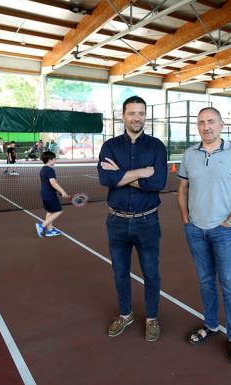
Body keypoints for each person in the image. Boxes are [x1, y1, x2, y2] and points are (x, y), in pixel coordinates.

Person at [178, 107, 231, 366]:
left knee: (230, 286)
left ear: (221, 125)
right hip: (196, 231)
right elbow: (182, 189)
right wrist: (187, 220)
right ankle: (210, 325)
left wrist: (230, 222)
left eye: (211, 122)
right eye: (201, 123)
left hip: (225, 232)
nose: (206, 126)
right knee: (206, 282)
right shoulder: (189, 154)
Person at [97, 96, 168, 342]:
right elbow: (106, 180)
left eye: (141, 113)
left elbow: (158, 182)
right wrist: (141, 173)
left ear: (145, 116)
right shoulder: (110, 146)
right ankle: (125, 315)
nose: (137, 117)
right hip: (116, 221)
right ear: (123, 115)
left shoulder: (157, 146)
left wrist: (121, 175)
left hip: (148, 221)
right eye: (132, 113)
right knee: (120, 272)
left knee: (151, 272)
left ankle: (151, 318)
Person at [35, 151, 69, 238]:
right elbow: (53, 183)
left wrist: (58, 191)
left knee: (50, 211)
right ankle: (42, 226)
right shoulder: (50, 170)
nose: (55, 161)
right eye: (54, 159)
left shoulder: (43, 169)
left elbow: (49, 184)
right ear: (50, 160)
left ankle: (50, 231)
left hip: (44, 194)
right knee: (58, 211)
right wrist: (63, 191)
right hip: (49, 195)